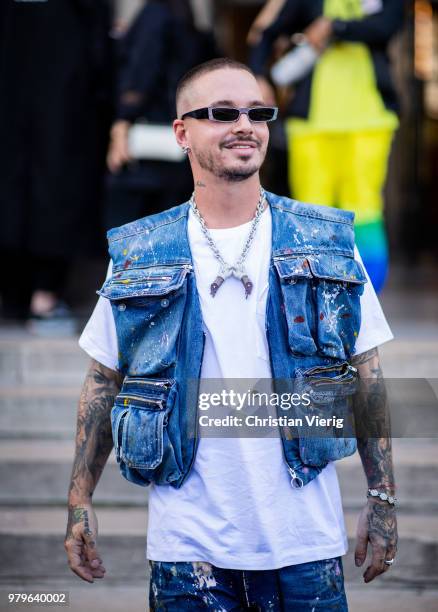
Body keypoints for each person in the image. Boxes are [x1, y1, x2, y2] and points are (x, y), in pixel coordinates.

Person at [65, 58, 397, 610]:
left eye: (257, 112)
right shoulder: (141, 252)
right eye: (221, 113)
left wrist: (383, 497)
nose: (245, 125)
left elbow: (370, 374)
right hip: (186, 553)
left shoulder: (327, 243)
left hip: (305, 547)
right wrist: (79, 501)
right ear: (182, 133)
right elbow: (102, 381)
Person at [249, 0, 405, 293]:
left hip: (369, 119)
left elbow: (388, 25)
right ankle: (313, 294)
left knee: (365, 208)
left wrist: (334, 26)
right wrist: (258, 77)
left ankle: (366, 296)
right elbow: (268, 33)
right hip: (311, 123)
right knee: (311, 211)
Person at [0, 0, 112, 324]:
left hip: (20, 94)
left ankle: (20, 296)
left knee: (19, 190)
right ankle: (43, 295)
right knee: (54, 188)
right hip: (63, 101)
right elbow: (98, 51)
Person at [105, 0, 216, 229]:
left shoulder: (156, 13)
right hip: (177, 140)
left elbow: (141, 70)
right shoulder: (186, 15)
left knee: (132, 230)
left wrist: (122, 122)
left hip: (144, 144)